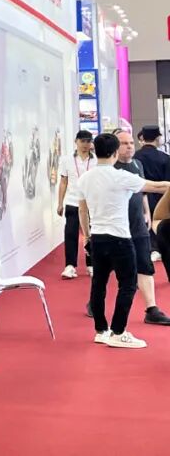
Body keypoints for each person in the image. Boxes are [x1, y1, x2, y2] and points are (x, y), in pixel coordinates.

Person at [77, 132, 170, 349]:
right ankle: (118, 332)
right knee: (127, 285)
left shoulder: (85, 178)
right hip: (120, 238)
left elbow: (82, 210)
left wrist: (87, 236)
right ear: (115, 152)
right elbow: (158, 186)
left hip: (98, 237)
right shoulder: (120, 176)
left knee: (98, 284)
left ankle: (101, 330)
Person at [111, 129, 170, 325]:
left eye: (130, 142)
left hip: (137, 226)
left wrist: (147, 213)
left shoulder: (137, 164)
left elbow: (143, 190)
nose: (129, 146)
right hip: (115, 228)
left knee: (145, 266)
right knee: (106, 269)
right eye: (124, 143)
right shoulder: (110, 170)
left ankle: (152, 309)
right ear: (115, 147)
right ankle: (94, 303)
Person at [57, 130, 95, 279]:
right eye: (82, 141)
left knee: (91, 234)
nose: (85, 144)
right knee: (70, 234)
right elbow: (63, 182)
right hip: (73, 201)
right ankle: (70, 266)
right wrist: (60, 203)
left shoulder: (96, 160)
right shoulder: (66, 160)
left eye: (88, 141)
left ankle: (91, 264)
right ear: (76, 141)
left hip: (91, 203)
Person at [134, 125, 170, 261]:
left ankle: (147, 249)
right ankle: (159, 248)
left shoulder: (135, 157)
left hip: (140, 194)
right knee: (160, 223)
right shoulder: (165, 158)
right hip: (161, 196)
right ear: (158, 138)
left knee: (142, 223)